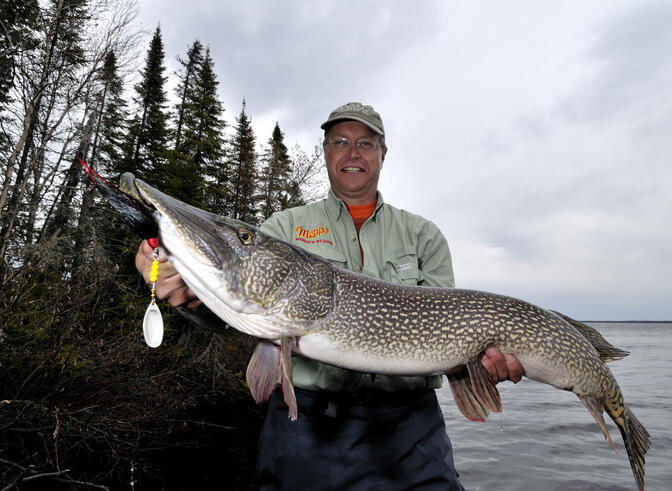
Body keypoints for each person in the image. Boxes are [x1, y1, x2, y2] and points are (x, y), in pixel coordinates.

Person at [135, 102, 524, 490]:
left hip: (411, 433)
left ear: (382, 155)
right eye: (340, 141)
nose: (352, 153)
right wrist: (188, 293)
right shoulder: (285, 227)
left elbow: (453, 334)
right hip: (307, 428)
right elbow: (239, 303)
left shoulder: (423, 235)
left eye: (365, 143)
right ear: (325, 152)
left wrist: (483, 366)